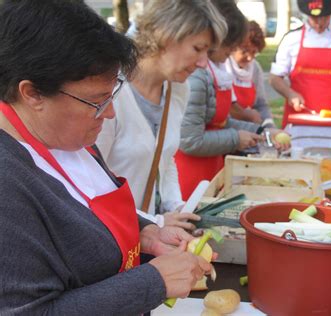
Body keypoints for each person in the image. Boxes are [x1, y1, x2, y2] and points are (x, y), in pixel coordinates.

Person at [0, 0, 211, 313]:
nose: (110, 113)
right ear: (32, 94)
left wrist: (147, 232)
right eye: (97, 101)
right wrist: (154, 281)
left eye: (111, 95)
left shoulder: (66, 137)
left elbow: (84, 210)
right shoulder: (8, 183)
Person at [96, 0, 226, 230]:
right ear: (166, 36)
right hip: (108, 234)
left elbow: (165, 159)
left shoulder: (177, 88)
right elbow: (90, 181)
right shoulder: (109, 90)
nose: (203, 63)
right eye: (197, 48)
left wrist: (175, 206)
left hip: (146, 237)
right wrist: (155, 222)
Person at [176, 0, 288, 200]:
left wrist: (262, 131)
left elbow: (220, 121)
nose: (233, 51)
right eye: (232, 45)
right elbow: (190, 141)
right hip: (190, 173)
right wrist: (236, 138)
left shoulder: (216, 71)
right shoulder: (198, 77)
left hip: (212, 166)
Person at [269, 0, 331, 127]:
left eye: (324, 18)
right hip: (298, 118)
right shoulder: (291, 39)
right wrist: (290, 94)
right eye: (315, 18)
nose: (319, 23)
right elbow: (275, 78)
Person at [225, 20, 276, 128]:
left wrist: (269, 126)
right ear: (233, 47)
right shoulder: (223, 66)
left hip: (250, 132)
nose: (249, 57)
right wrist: (246, 115)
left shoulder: (255, 68)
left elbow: (261, 105)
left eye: (254, 52)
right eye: (244, 51)